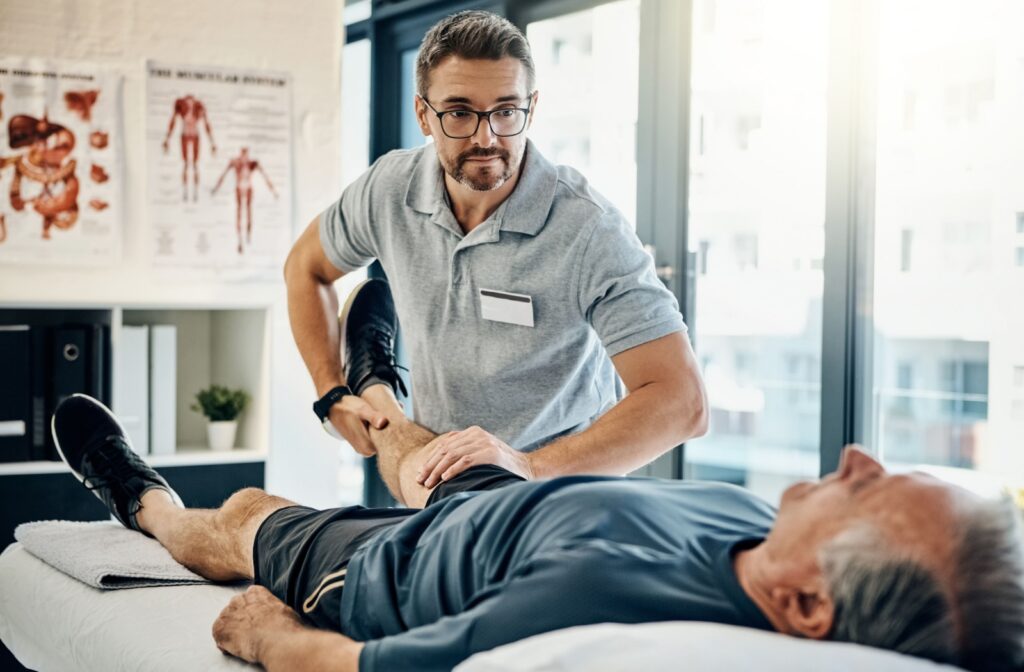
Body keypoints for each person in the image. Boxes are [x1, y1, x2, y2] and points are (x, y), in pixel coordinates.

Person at [50, 295, 1024, 672]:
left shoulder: (604, 612)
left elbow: (372, 671)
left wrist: (275, 639)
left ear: (809, 602)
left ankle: (136, 492)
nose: (857, 457)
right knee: (424, 439)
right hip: (504, 503)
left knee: (243, 514)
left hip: (389, 566)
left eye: (873, 490)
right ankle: (377, 384)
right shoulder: (769, 531)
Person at [284, 10, 708, 491]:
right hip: (435, 469)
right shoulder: (389, 189)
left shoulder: (588, 228)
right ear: (423, 113)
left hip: (555, 489)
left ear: (532, 108)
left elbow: (683, 402)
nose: (487, 138)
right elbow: (305, 267)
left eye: (507, 111)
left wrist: (526, 465)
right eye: (460, 113)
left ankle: (373, 382)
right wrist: (328, 391)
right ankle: (368, 385)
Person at [212, 146, 278, 254]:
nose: (244, 157)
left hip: (248, 188)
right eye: (243, 154)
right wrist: (216, 188)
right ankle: (240, 239)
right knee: (239, 212)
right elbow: (224, 174)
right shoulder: (235, 162)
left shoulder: (252, 163)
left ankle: (248, 235)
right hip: (239, 187)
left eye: (246, 154)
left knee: (248, 211)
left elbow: (265, 176)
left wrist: (273, 191)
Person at [162, 93, 216, 202]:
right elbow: (173, 121)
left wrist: (212, 142)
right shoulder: (180, 105)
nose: (190, 104)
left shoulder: (199, 106)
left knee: (194, 165)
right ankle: (185, 192)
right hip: (185, 135)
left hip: (195, 135)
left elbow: (206, 124)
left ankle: (195, 193)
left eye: (191, 102)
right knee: (186, 165)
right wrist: (167, 139)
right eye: (188, 102)